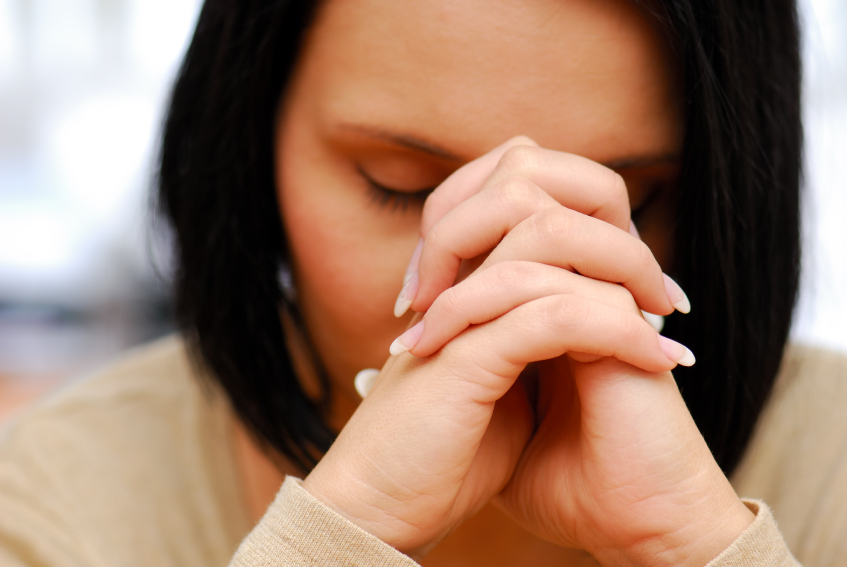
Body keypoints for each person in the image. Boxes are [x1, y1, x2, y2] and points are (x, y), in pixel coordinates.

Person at [2, 0, 845, 565]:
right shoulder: (48, 505)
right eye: (399, 184)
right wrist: (347, 527)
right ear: (249, 154)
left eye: (627, 202)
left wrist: (698, 543)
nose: (511, 284)